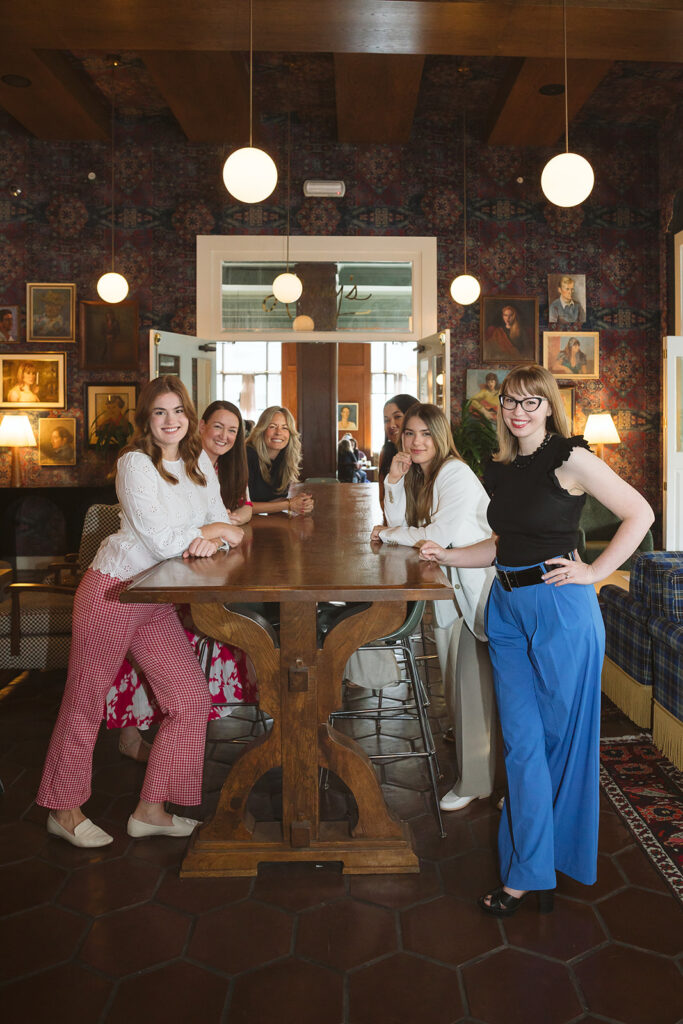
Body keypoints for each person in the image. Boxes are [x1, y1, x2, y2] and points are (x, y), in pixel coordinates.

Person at [419, 364, 654, 915]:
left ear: (549, 407)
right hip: (505, 609)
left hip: (559, 610)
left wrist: (594, 573)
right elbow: (502, 544)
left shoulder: (569, 458)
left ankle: (531, 873)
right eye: (510, 402)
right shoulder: (501, 467)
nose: (519, 411)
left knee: (560, 744)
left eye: (531, 402)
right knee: (521, 746)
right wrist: (447, 555)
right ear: (500, 409)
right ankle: (533, 865)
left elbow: (638, 513)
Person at [36, 376, 245, 848]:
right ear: (146, 420)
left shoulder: (199, 464)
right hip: (113, 590)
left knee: (190, 700)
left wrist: (215, 530)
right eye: (160, 412)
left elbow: (229, 524)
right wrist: (211, 530)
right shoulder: (134, 463)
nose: (171, 421)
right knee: (86, 700)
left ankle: (152, 810)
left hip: (155, 599)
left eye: (178, 411)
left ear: (189, 416)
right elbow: (163, 540)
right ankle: (63, 809)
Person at [110, 399, 257, 762]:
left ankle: (184, 733)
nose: (223, 436)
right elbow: (171, 534)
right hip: (143, 574)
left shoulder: (215, 465)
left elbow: (231, 515)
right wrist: (220, 529)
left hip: (185, 570)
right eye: (217, 427)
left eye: (232, 431)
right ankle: (138, 733)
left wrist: (219, 532)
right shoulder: (146, 463)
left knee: (220, 623)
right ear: (201, 425)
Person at [370, 403, 497, 812]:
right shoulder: (424, 475)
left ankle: (476, 781)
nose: (416, 441)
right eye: (409, 433)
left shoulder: (454, 472)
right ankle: (473, 764)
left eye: (425, 433)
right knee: (455, 681)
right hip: (448, 586)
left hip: (474, 587)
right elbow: (403, 521)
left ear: (440, 436)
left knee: (471, 685)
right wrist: (393, 480)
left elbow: (435, 536)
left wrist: (390, 534)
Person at [246, 406, 314, 516]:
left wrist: (300, 503)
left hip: (266, 522)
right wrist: (288, 504)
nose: (278, 432)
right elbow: (242, 507)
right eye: (272, 427)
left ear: (290, 433)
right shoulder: (248, 455)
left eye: (285, 428)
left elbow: (273, 500)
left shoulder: (286, 457)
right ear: (262, 430)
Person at [379, 393, 419, 506]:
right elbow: (383, 499)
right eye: (386, 420)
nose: (391, 425)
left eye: (397, 417)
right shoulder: (386, 452)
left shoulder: (423, 455)